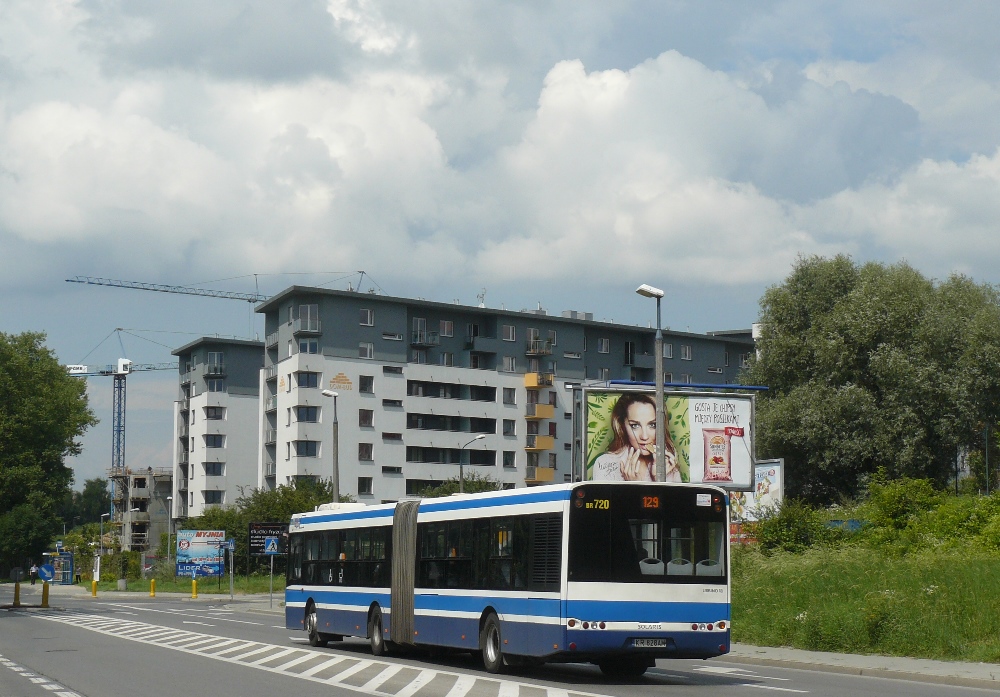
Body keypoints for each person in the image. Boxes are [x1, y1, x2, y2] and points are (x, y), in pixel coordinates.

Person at [591, 393, 680, 481]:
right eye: (635, 426)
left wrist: (660, 480)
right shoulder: (606, 463)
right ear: (622, 425)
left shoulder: (668, 464)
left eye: (653, 425)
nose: (644, 436)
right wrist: (632, 487)